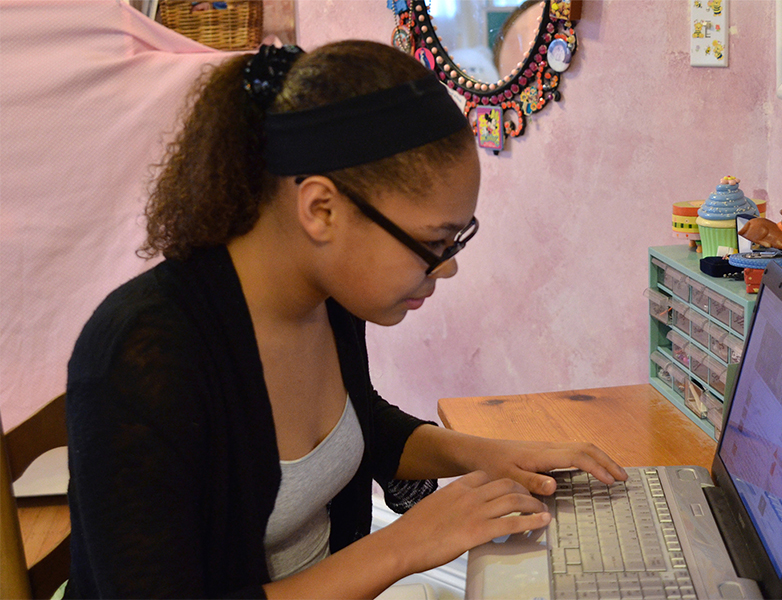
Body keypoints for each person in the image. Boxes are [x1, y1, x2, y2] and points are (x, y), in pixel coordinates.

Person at [63, 40, 626, 599]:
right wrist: (404, 544)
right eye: (433, 241)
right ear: (321, 210)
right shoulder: (140, 358)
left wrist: (494, 453)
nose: (448, 267)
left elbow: (355, 427)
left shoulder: (325, 299)